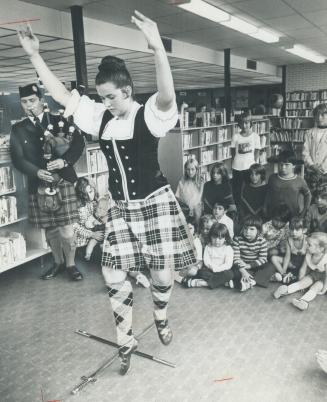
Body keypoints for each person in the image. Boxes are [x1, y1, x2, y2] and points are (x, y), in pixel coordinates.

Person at [18, 11, 196, 375]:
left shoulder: (149, 115)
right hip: (120, 207)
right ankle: (125, 339)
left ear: (127, 91)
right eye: (101, 97)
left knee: (163, 276)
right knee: (114, 274)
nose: (106, 103)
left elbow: (167, 93)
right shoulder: (100, 117)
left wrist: (157, 46)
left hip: (155, 202)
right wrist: (35, 56)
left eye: (111, 97)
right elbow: (60, 94)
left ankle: (160, 315)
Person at [10, 83, 85, 281]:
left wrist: (65, 160)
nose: (29, 105)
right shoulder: (18, 129)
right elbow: (17, 158)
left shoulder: (60, 120)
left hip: (63, 180)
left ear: (42, 101)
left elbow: (79, 143)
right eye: (24, 102)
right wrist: (36, 172)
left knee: (67, 228)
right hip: (39, 185)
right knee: (50, 228)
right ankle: (57, 263)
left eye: (32, 101)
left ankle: (71, 265)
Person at [274, 232, 327, 311]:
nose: (307, 246)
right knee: (302, 283)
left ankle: (303, 301)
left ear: (320, 248)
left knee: (315, 287)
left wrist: (324, 289)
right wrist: (301, 279)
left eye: (309, 245)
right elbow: (303, 268)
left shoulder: (325, 258)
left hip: (324, 278)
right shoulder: (309, 254)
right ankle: (285, 290)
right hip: (314, 274)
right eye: (307, 243)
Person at [181, 222, 234, 289]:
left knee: (230, 274)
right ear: (210, 237)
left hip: (222, 270)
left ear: (225, 238)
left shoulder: (228, 248)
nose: (217, 241)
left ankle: (202, 283)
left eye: (220, 238)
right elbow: (206, 261)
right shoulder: (208, 247)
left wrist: (217, 269)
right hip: (209, 269)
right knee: (201, 272)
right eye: (214, 238)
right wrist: (212, 267)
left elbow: (228, 264)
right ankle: (222, 282)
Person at [232, 216, 274, 292]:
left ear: (258, 231)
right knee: (233, 268)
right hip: (242, 265)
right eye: (245, 228)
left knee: (270, 266)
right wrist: (243, 270)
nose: (247, 232)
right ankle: (252, 279)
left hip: (255, 265)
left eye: (252, 229)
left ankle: (249, 280)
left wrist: (249, 265)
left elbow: (263, 258)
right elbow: (236, 258)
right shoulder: (237, 239)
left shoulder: (262, 241)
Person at [265, 150, 311, 219]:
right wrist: (265, 207)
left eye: (287, 165)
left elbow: (308, 195)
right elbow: (268, 194)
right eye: (281, 164)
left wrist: (304, 211)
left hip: (293, 217)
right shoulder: (272, 178)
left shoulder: (300, 180)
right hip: (274, 217)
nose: (283, 167)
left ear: (294, 166)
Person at [231, 114, 261, 206]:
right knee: (237, 190)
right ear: (239, 124)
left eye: (247, 123)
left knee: (249, 188)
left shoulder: (255, 136)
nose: (244, 126)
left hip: (249, 167)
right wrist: (236, 162)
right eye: (242, 123)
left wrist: (254, 163)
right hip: (237, 167)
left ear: (250, 123)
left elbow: (257, 150)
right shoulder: (235, 136)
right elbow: (233, 152)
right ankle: (238, 209)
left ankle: (250, 206)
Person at [73, 177, 106, 260]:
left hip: (94, 234)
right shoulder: (78, 206)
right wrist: (92, 234)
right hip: (83, 240)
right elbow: (75, 227)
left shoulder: (92, 202)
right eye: (85, 193)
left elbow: (97, 215)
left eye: (91, 191)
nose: (89, 196)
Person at [271, 217, 307, 284]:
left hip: (303, 264)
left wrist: (301, 275)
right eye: (291, 229)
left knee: (303, 274)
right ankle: (283, 275)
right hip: (292, 262)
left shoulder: (307, 240)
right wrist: (284, 270)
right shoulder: (289, 240)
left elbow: (307, 261)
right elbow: (287, 257)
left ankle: (291, 276)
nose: (293, 232)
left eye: (297, 230)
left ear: (304, 230)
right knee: (273, 258)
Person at [303, 103, 327, 197]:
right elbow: (305, 152)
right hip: (311, 171)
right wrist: (312, 165)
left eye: (322, 115)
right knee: (311, 196)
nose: (319, 118)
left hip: (325, 172)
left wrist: (322, 168)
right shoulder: (309, 132)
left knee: (323, 200)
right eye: (317, 115)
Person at [175, 156, 203, 224]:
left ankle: (197, 230)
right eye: (188, 169)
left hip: (197, 208)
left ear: (197, 170)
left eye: (193, 169)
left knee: (197, 211)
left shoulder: (200, 181)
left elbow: (200, 197)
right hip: (185, 207)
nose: (190, 172)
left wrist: (194, 207)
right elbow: (178, 197)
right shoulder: (182, 181)